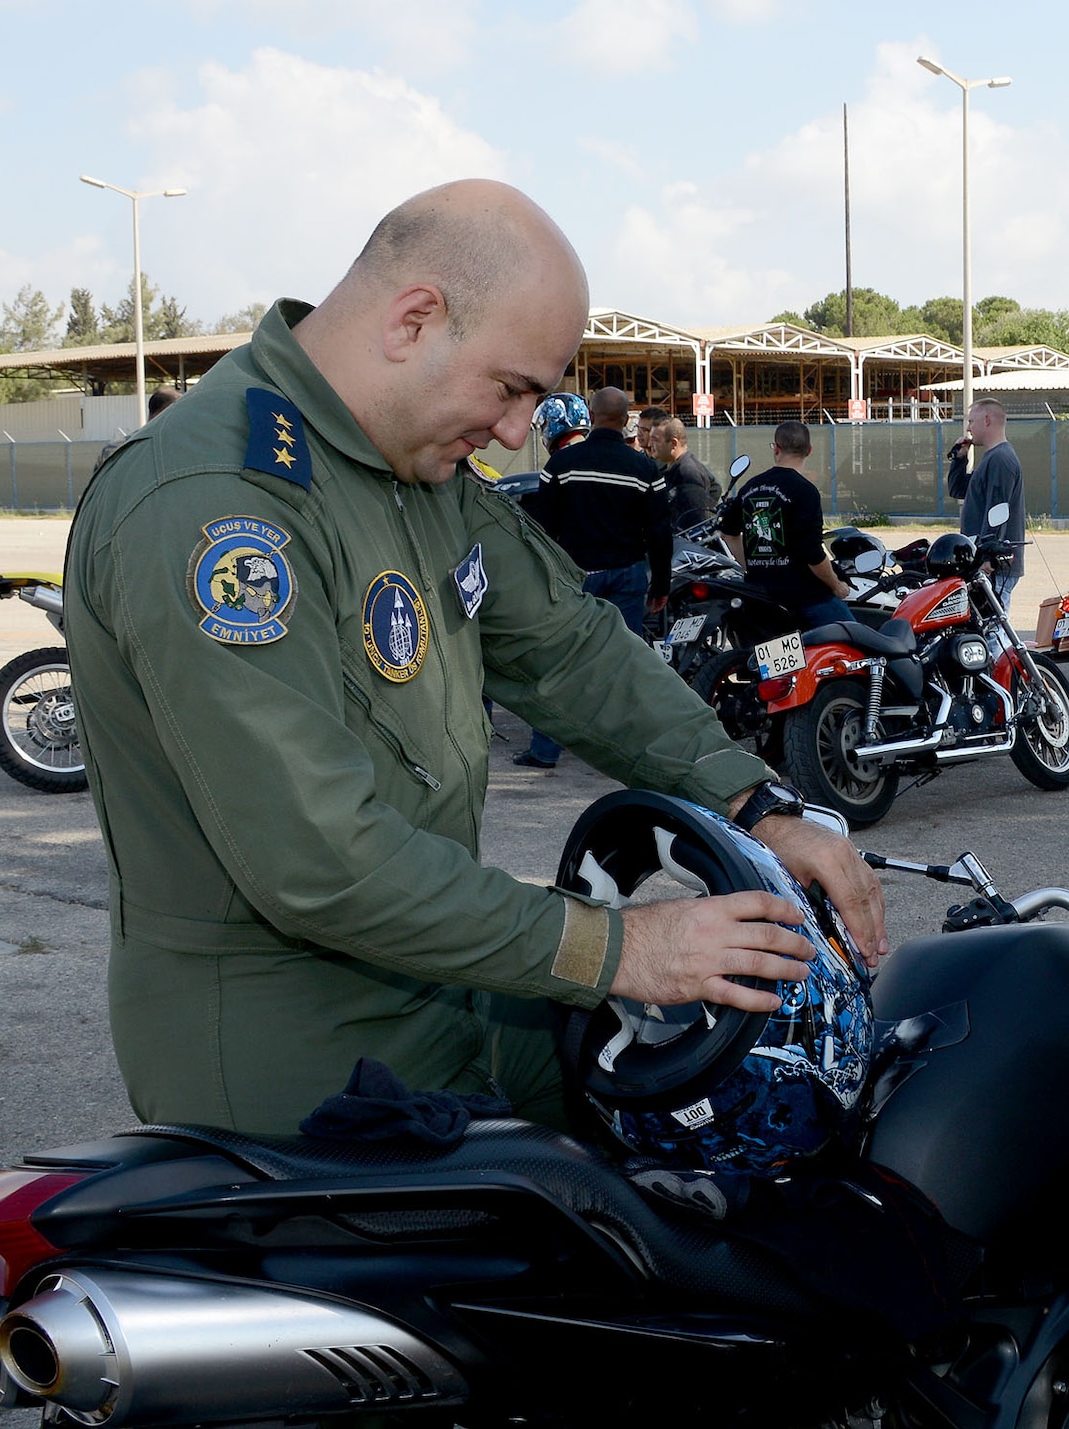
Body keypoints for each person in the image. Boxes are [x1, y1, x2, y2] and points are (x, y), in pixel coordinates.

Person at [65, 180, 885, 1138]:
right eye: (512, 389)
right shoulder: (215, 504)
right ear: (415, 320)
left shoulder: (414, 467)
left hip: (457, 986)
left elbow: (569, 649)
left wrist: (754, 803)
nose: (515, 431)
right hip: (304, 1066)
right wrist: (622, 948)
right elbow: (323, 862)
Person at [514, 385, 673, 769]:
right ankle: (631, 753)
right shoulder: (644, 468)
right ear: (624, 420)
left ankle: (545, 751)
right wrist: (662, 585)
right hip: (627, 576)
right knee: (626, 663)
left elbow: (541, 527)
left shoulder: (561, 466)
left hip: (574, 578)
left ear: (592, 414)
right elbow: (660, 533)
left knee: (559, 662)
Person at [718, 420, 852, 629]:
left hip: (760, 594)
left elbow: (728, 533)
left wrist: (753, 567)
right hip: (805, 597)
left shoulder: (750, 487)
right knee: (857, 644)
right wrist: (836, 585)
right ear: (809, 450)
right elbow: (812, 552)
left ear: (776, 448)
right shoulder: (805, 491)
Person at [952, 398, 1025, 615]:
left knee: (993, 631)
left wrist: (987, 558)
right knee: (983, 628)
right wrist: (959, 459)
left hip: (995, 567)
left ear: (986, 420)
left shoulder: (1001, 459)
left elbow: (998, 511)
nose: (968, 427)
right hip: (984, 562)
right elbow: (959, 490)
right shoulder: (991, 458)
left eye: (971, 421)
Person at [653, 416, 721, 531]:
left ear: (673, 443)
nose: (650, 444)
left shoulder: (687, 473)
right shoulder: (672, 468)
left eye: (656, 440)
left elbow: (696, 524)